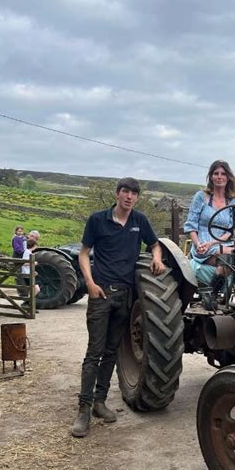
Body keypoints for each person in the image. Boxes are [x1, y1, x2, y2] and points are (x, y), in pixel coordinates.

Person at [71, 177, 166, 438]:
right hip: (101, 293)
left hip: (125, 296)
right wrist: (89, 283)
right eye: (125, 192)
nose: (129, 197)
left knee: (112, 351)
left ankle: (100, 402)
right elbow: (83, 252)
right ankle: (84, 410)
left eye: (134, 193)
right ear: (117, 194)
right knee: (95, 351)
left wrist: (157, 257)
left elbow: (155, 243)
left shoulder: (140, 221)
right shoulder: (97, 220)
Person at [184, 160, 235, 307]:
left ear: (228, 177)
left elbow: (231, 230)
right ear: (211, 177)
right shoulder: (201, 197)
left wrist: (214, 242)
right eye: (216, 173)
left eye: (223, 174)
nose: (219, 177)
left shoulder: (233, 201)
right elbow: (191, 224)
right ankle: (213, 296)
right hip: (202, 242)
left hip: (221, 242)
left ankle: (216, 295)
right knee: (228, 256)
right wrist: (198, 244)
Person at [21, 238, 41, 306]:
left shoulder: (28, 252)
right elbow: (24, 263)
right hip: (27, 274)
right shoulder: (27, 252)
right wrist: (33, 263)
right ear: (34, 245)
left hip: (28, 273)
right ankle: (26, 302)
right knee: (37, 289)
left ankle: (29, 305)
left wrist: (33, 271)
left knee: (32, 290)